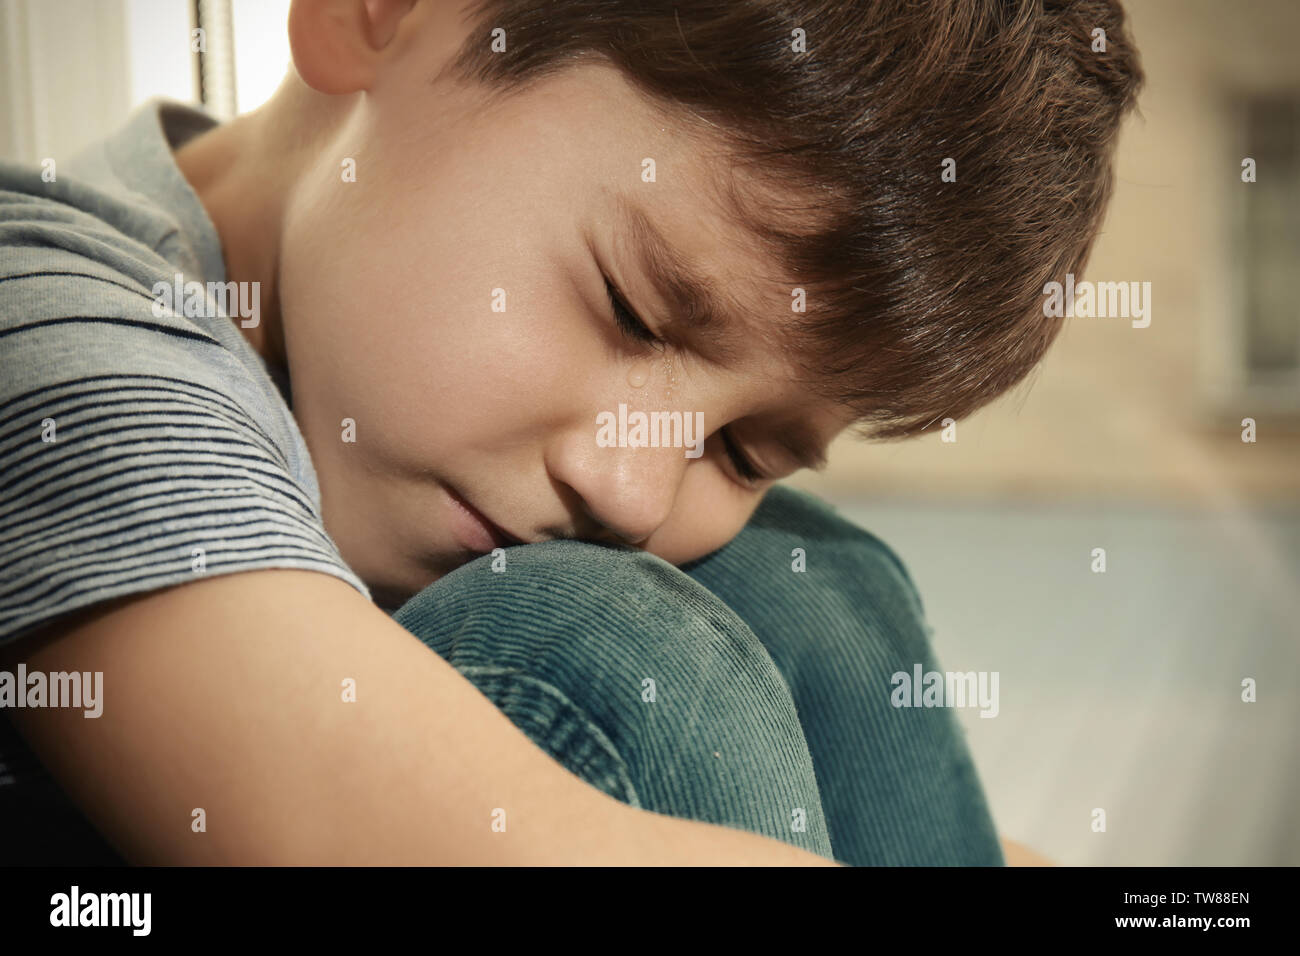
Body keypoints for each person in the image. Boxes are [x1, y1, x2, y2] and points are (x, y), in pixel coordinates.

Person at [0, 0, 1142, 864]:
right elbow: (351, 818)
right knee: (614, 644)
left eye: (741, 452)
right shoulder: (44, 317)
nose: (633, 492)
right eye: (633, 310)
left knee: (809, 584)